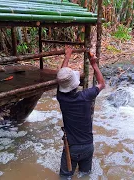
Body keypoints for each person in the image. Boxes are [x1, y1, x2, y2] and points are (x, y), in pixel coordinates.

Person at [56, 46, 105, 178]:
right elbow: (101, 83)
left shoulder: (61, 98)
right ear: (75, 84)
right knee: (85, 175)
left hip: (72, 148)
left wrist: (67, 56)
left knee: (65, 177)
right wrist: (94, 64)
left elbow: (62, 77)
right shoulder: (86, 95)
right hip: (89, 146)